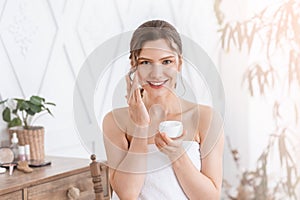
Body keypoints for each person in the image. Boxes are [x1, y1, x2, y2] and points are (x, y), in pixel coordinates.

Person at [103, 19, 224, 200]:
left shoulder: (206, 118)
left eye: (166, 61)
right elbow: (127, 194)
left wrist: (177, 154)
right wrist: (141, 127)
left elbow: (210, 198)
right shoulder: (115, 121)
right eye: (145, 62)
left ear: (179, 64)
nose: (157, 73)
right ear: (133, 65)